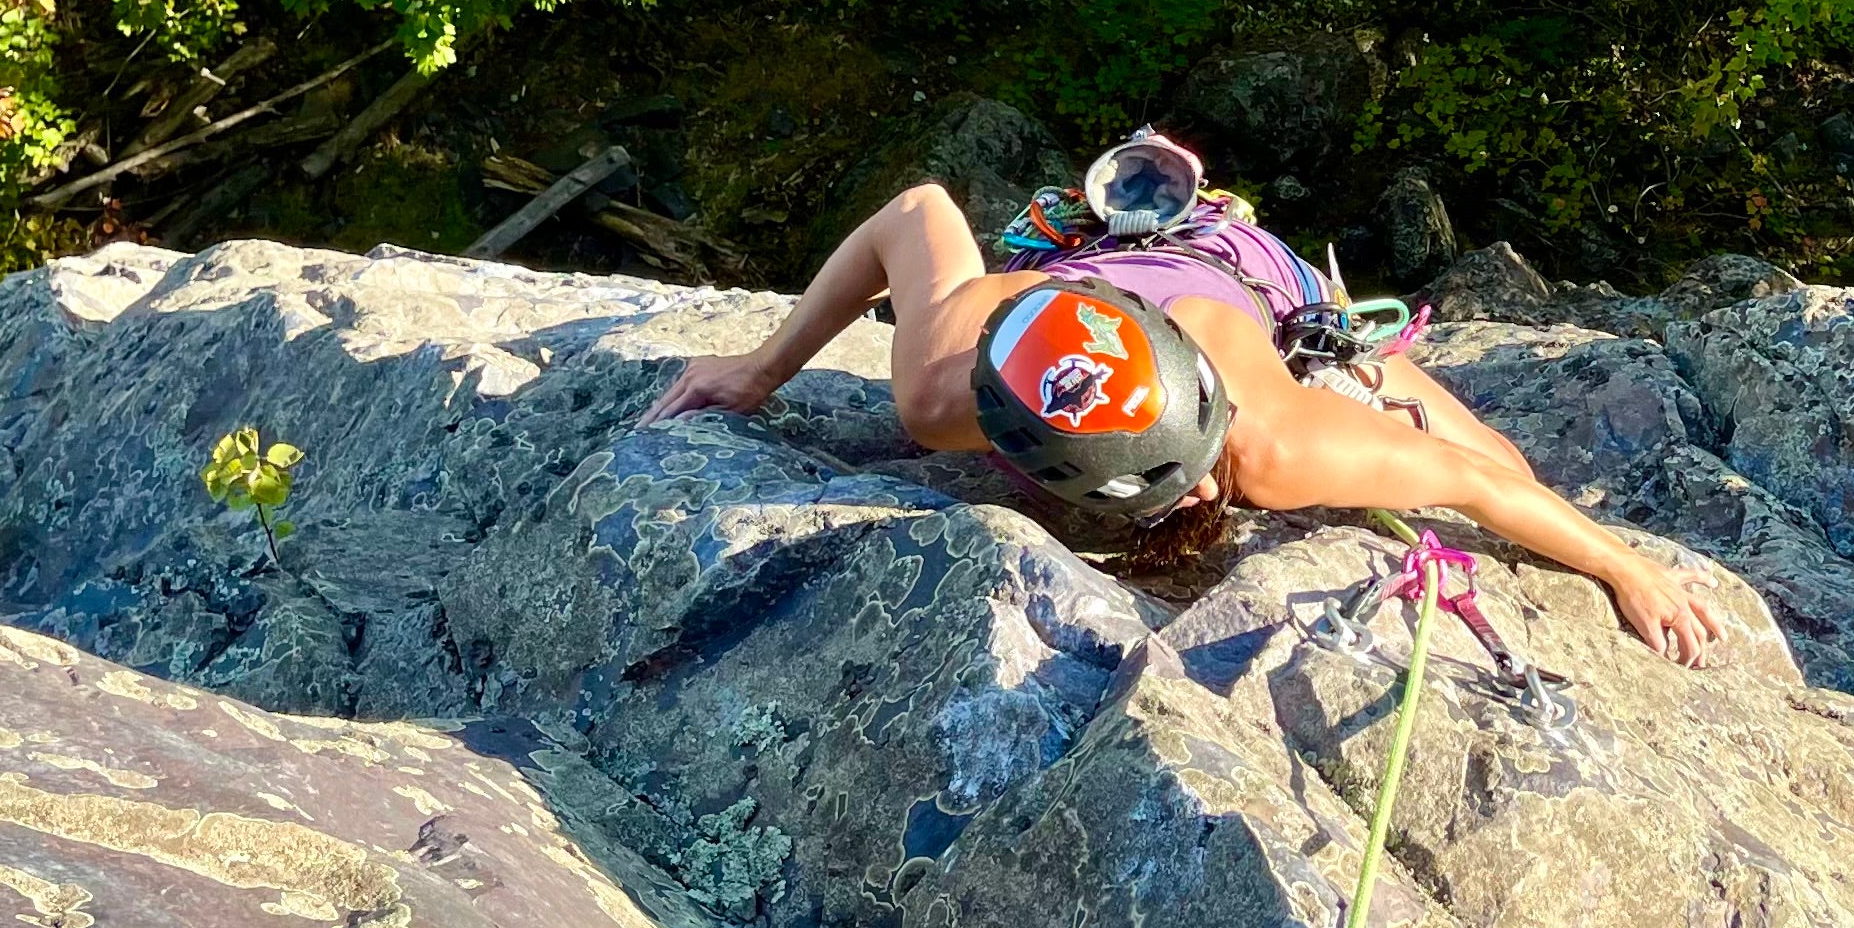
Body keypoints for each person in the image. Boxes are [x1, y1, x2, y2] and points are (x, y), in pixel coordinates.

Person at [646, 141, 1730, 666]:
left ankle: (1190, 209)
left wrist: (1622, 565)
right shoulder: (959, 382)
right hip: (1128, 281)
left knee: (1484, 445)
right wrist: (758, 370)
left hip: (1246, 299)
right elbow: (915, 204)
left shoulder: (1280, 442)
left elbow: (1478, 476)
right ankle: (1161, 199)